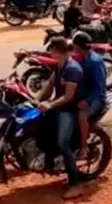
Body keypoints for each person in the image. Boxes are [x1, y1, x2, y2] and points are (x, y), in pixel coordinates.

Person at [38, 37, 85, 199]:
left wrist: (50, 105)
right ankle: (49, 163)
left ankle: (75, 184)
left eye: (51, 49)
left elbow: (68, 97)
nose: (49, 52)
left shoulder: (72, 69)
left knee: (63, 143)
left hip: (69, 110)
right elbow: (49, 86)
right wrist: (36, 100)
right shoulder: (59, 66)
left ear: (58, 51)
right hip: (57, 107)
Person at [72, 32, 107, 160]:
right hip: (83, 94)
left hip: (96, 98)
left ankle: (83, 147)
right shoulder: (83, 57)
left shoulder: (94, 62)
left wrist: (87, 101)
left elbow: (99, 87)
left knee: (82, 116)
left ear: (78, 46)